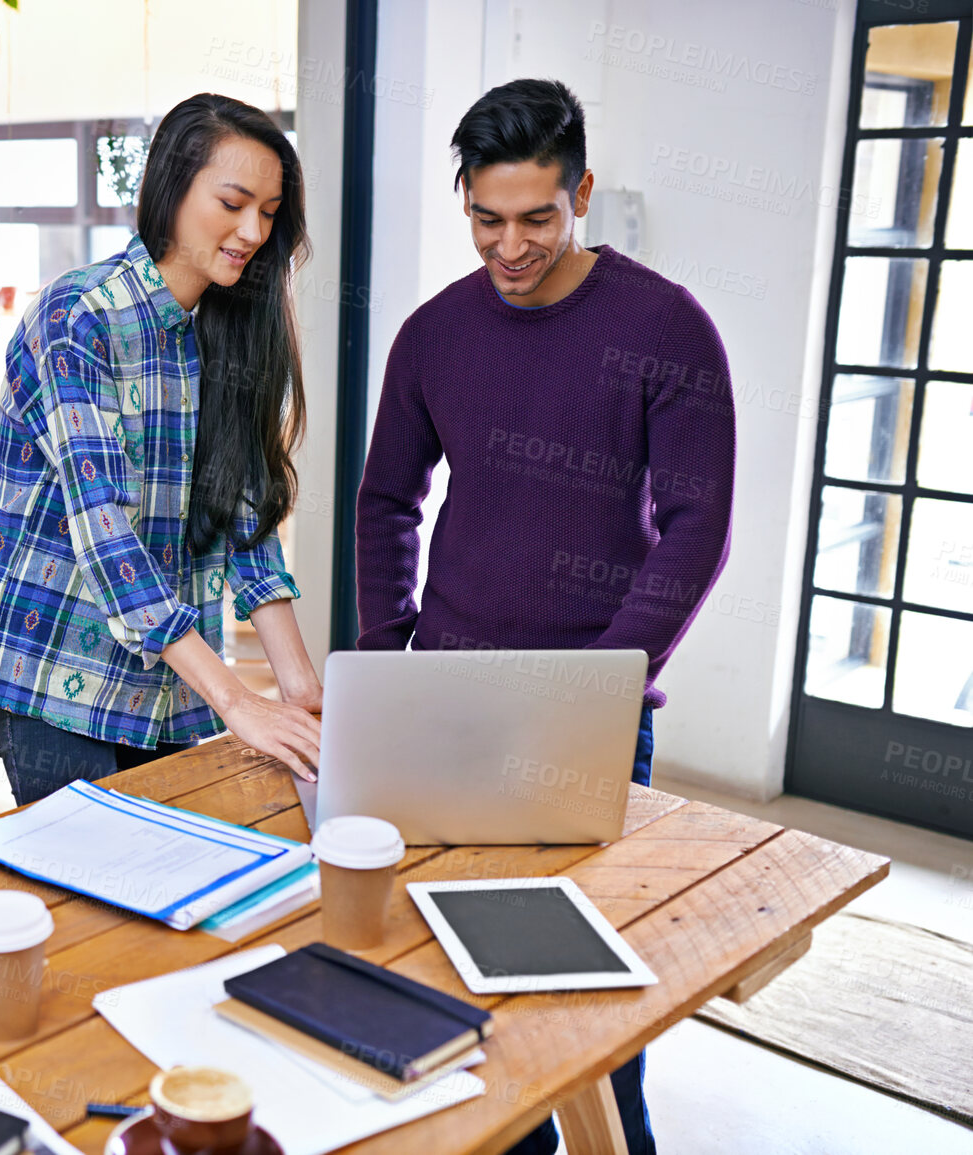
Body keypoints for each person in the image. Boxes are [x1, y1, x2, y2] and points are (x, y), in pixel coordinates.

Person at [355, 79, 737, 1155]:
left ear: (582, 196)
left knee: (590, 1018)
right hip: (446, 701)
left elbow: (694, 525)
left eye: (536, 218)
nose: (509, 247)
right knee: (459, 1000)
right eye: (485, 218)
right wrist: (390, 663)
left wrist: (599, 683)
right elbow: (388, 498)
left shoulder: (666, 327)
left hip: (593, 717)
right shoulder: (434, 335)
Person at [0, 93, 324, 806]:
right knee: (90, 896)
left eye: (267, 211)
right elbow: (107, 541)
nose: (252, 230)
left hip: (171, 687)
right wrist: (240, 704)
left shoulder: (227, 328)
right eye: (231, 202)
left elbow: (245, 515)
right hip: (56, 677)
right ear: (170, 186)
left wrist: (299, 687)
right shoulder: (78, 317)